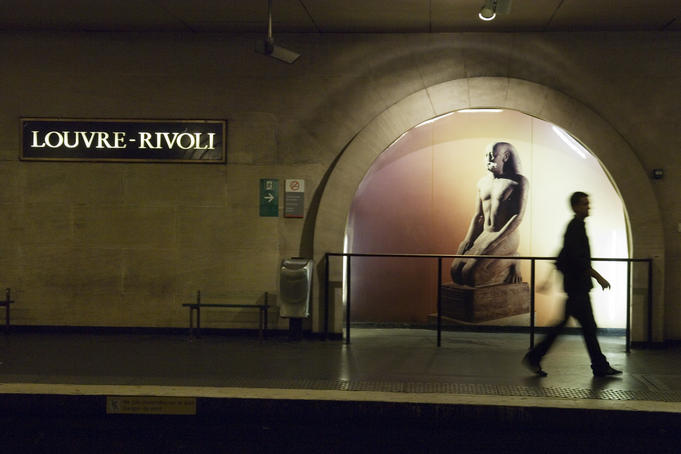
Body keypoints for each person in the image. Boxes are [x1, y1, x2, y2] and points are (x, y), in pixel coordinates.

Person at [523, 192, 622, 377]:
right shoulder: (576, 228)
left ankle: (536, 357)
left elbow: (563, 255)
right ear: (576, 206)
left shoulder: (575, 227)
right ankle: (598, 365)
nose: (588, 207)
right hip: (578, 287)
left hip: (575, 286)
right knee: (585, 327)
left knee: (578, 327)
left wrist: (549, 278)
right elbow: (578, 259)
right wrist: (598, 276)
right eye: (585, 204)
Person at [450, 142, 528, 287]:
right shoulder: (482, 183)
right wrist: (467, 241)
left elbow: (518, 217)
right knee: (456, 272)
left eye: (493, 156)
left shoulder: (518, 182)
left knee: (471, 276)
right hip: (485, 234)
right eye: (486, 156)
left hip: (506, 236)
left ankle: (513, 259)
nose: (489, 159)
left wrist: (494, 242)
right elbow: (478, 216)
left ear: (505, 157)